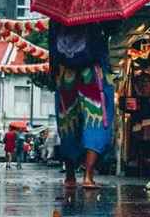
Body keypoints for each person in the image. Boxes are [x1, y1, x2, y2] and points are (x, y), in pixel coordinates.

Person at [50, 21, 116, 189]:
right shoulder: (97, 13)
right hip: (94, 74)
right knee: (97, 123)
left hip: (66, 75)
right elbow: (111, 30)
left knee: (68, 124)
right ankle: (88, 175)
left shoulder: (57, 15)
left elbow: (52, 47)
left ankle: (70, 176)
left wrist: (54, 73)